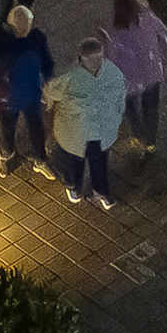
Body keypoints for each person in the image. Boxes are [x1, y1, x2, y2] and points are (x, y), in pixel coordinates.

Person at [46, 36, 127, 209]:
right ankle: (75, 187)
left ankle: (97, 191)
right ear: (82, 58)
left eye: (100, 58)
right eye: (93, 59)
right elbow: (50, 91)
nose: (98, 63)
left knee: (96, 163)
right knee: (76, 162)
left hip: (94, 131)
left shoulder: (110, 73)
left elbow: (120, 95)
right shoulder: (72, 78)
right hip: (78, 131)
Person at [101, 0, 167, 154]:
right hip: (152, 72)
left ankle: (139, 136)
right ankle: (150, 141)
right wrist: (165, 58)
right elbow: (164, 37)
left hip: (130, 78)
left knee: (131, 108)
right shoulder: (148, 19)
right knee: (151, 108)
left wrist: (106, 43)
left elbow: (113, 56)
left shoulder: (117, 30)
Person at [0, 4, 58, 179]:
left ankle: (40, 160)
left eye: (27, 25)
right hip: (8, 96)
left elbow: (46, 62)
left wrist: (47, 84)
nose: (25, 29)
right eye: (21, 26)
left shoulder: (36, 39)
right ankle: (5, 154)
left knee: (36, 127)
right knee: (7, 129)